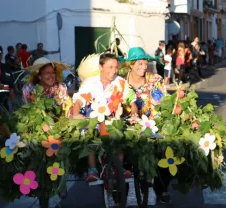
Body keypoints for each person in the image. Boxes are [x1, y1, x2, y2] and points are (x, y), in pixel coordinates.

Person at [72, 53, 138, 185]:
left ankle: (119, 168)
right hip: (95, 119)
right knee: (89, 135)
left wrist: (134, 114)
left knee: (121, 134)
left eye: (115, 67)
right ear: (101, 67)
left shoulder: (120, 82)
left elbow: (132, 102)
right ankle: (92, 170)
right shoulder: (91, 82)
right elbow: (79, 100)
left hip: (115, 119)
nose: (113, 71)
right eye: (110, 67)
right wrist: (76, 113)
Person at [124, 47, 170, 203]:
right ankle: (121, 189)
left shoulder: (155, 80)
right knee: (120, 150)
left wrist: (154, 120)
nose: (144, 67)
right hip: (129, 124)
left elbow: (163, 102)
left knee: (166, 150)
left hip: (154, 123)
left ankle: (161, 189)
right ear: (130, 64)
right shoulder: (121, 82)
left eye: (145, 63)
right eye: (140, 63)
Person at [0, 44, 16, 110]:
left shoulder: (6, 68)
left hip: (5, 105)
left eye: (0, 54)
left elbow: (11, 87)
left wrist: (14, 104)